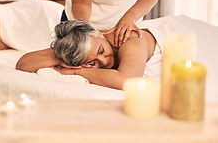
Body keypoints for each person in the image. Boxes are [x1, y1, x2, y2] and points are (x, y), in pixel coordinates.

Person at [16, 19, 156, 90]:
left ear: (100, 34)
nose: (102, 61)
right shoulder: (81, 45)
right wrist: (63, 56)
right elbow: (24, 63)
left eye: (101, 51)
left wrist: (78, 72)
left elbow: (127, 81)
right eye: (92, 63)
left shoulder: (130, 40)